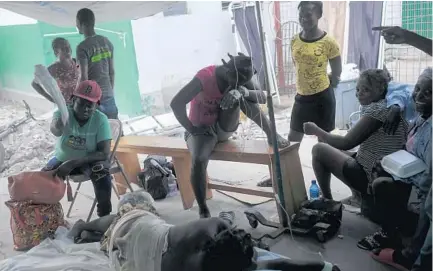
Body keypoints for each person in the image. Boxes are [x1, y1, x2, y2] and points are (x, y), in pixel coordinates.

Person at [68, 190, 341, 271]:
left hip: (138, 235)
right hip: (132, 237)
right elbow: (276, 263)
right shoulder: (211, 258)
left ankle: (86, 230)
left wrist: (325, 268)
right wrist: (324, 268)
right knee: (124, 216)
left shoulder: (213, 232)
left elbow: (273, 263)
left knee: (120, 222)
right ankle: (85, 228)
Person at [170, 53, 289, 218]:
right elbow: (176, 103)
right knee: (199, 160)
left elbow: (262, 97)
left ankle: (271, 134)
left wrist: (243, 91)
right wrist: (191, 128)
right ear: (228, 72)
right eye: (237, 82)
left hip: (224, 126)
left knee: (244, 98)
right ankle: (203, 208)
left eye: (243, 81)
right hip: (202, 130)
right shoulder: (205, 77)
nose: (240, 83)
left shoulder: (241, 74)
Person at [304, 69, 408, 201]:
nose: (359, 94)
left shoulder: (379, 110)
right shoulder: (391, 104)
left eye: (366, 90)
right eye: (358, 89)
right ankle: (357, 196)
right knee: (331, 145)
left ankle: (327, 200)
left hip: (372, 175)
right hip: (379, 168)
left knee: (319, 149)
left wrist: (316, 130)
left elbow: (346, 143)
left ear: (380, 90)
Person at [42, 80, 113, 217]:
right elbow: (55, 131)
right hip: (62, 158)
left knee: (102, 174)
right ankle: (46, 217)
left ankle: (104, 216)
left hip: (88, 161)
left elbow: (104, 153)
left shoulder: (100, 120)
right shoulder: (63, 114)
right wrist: (58, 125)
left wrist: (74, 162)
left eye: (90, 105)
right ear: (73, 100)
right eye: (81, 103)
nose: (85, 109)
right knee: (42, 179)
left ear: (96, 105)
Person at [288, 1, 342, 143]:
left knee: (323, 143)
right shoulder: (294, 40)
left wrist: (325, 80)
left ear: (319, 15)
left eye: (308, 15)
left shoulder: (329, 42)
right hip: (301, 97)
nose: (304, 18)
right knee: (292, 140)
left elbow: (337, 71)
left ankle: (322, 165)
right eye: (301, 15)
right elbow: (298, 65)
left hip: (322, 99)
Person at [76, 8, 118, 119]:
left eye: (77, 23)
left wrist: (78, 98)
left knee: (100, 133)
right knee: (115, 128)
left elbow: (84, 78)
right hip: (109, 94)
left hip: (94, 99)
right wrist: (109, 92)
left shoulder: (82, 47)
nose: (76, 26)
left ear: (83, 24)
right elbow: (112, 72)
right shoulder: (107, 42)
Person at [32, 37, 80, 105]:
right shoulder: (54, 68)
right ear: (56, 52)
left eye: (68, 47)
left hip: (79, 103)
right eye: (63, 48)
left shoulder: (76, 62)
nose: (68, 50)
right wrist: (51, 98)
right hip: (65, 106)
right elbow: (34, 84)